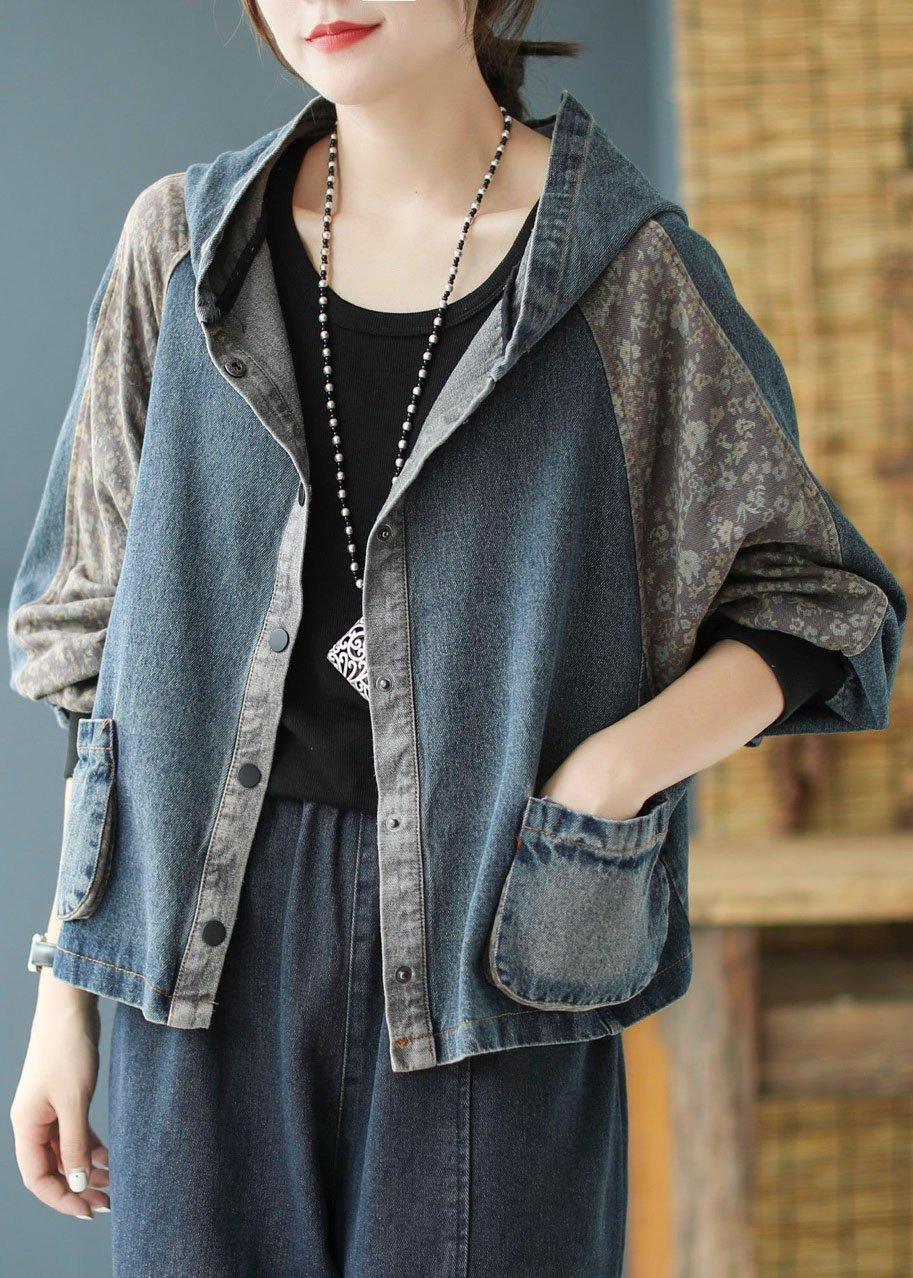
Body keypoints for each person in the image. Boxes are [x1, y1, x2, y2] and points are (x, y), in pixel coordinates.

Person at [7, 2, 906, 1275]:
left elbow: (822, 601)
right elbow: (90, 646)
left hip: (492, 941)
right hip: (194, 959)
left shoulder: (622, 274)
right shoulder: (185, 247)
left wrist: (609, 774)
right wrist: (66, 991)